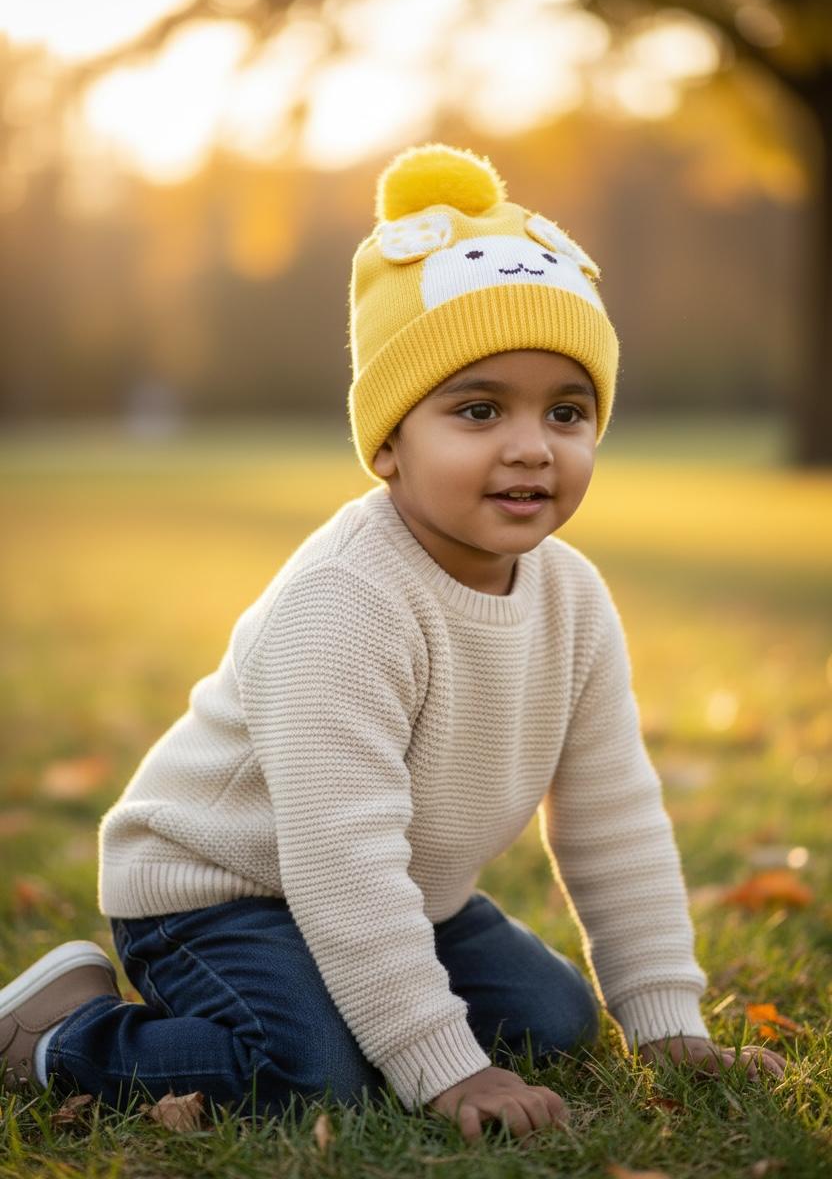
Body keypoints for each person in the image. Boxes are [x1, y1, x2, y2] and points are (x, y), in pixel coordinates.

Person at [0, 143, 786, 1142]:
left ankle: (353, 1004)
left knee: (549, 1024)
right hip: (218, 893)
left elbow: (612, 815)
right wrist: (442, 1067)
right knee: (308, 1075)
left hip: (399, 890)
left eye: (567, 410)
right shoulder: (346, 601)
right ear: (387, 443)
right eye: (476, 409)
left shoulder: (573, 597)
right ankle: (58, 1038)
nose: (530, 445)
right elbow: (340, 855)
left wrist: (667, 1021)